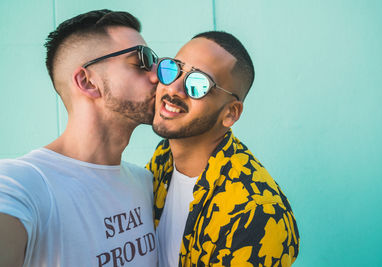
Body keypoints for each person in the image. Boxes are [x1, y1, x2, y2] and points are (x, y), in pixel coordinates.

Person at [0, 10, 159, 266]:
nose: (157, 75)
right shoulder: (22, 184)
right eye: (142, 61)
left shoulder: (145, 183)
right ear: (87, 82)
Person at [146, 31, 300, 266]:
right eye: (173, 69)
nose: (174, 89)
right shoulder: (163, 157)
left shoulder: (256, 214)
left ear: (230, 113)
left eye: (198, 84)